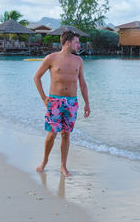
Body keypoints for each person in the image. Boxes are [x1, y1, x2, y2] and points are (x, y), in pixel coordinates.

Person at [34, 30, 90, 176]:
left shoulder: (78, 61)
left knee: (66, 135)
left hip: (72, 102)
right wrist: (44, 98)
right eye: (76, 42)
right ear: (67, 43)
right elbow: (37, 77)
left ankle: (63, 166)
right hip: (55, 101)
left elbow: (82, 83)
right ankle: (45, 160)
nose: (79, 45)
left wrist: (87, 103)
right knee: (52, 134)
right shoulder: (51, 58)